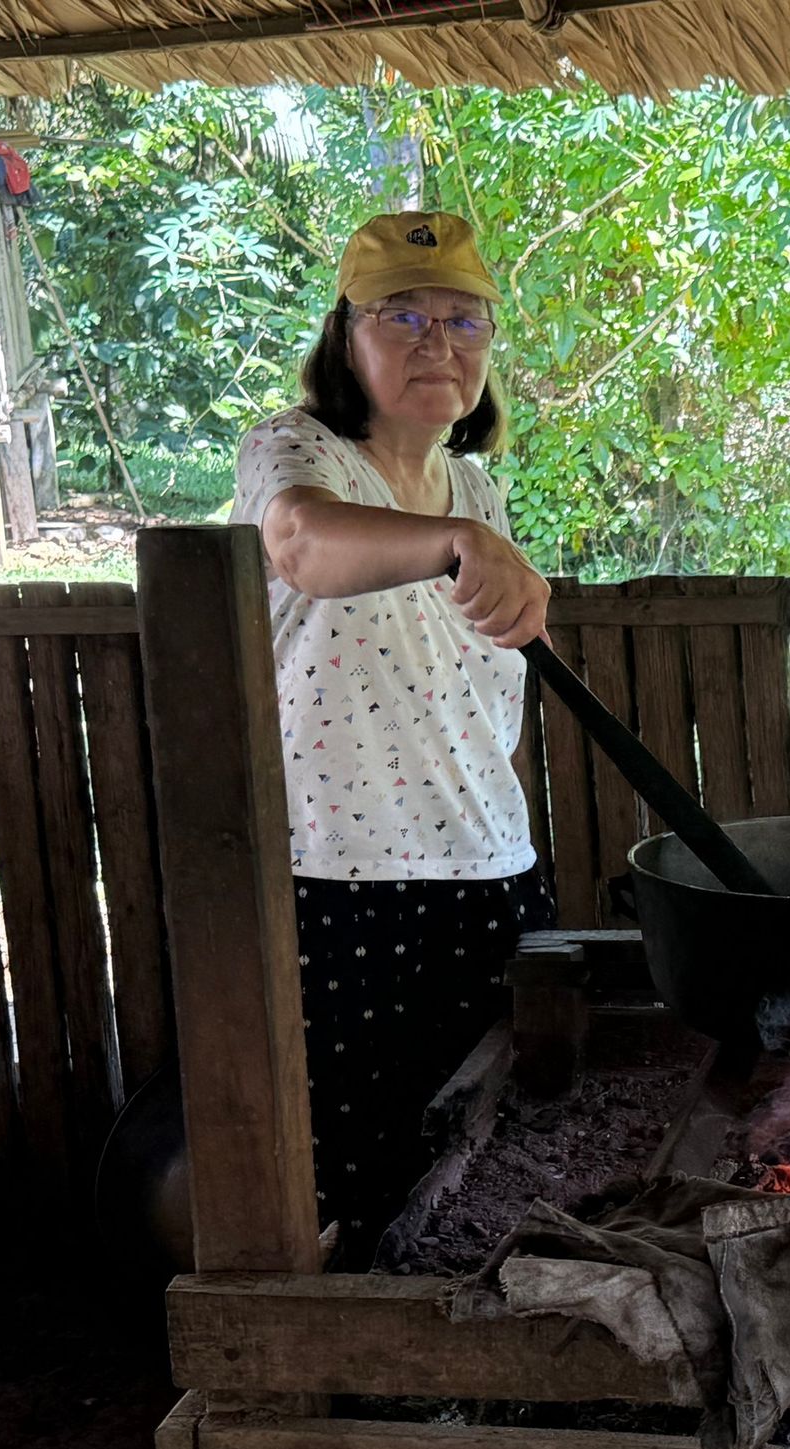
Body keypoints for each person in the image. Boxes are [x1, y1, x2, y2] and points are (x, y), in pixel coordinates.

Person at [232, 210, 553, 1258]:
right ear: (345, 334)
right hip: (344, 881)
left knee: (487, 1164)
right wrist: (453, 543)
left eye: (465, 320)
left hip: (491, 870)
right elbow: (300, 542)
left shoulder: (476, 488)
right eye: (403, 316)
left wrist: (471, 536)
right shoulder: (298, 453)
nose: (437, 343)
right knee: (353, 1179)